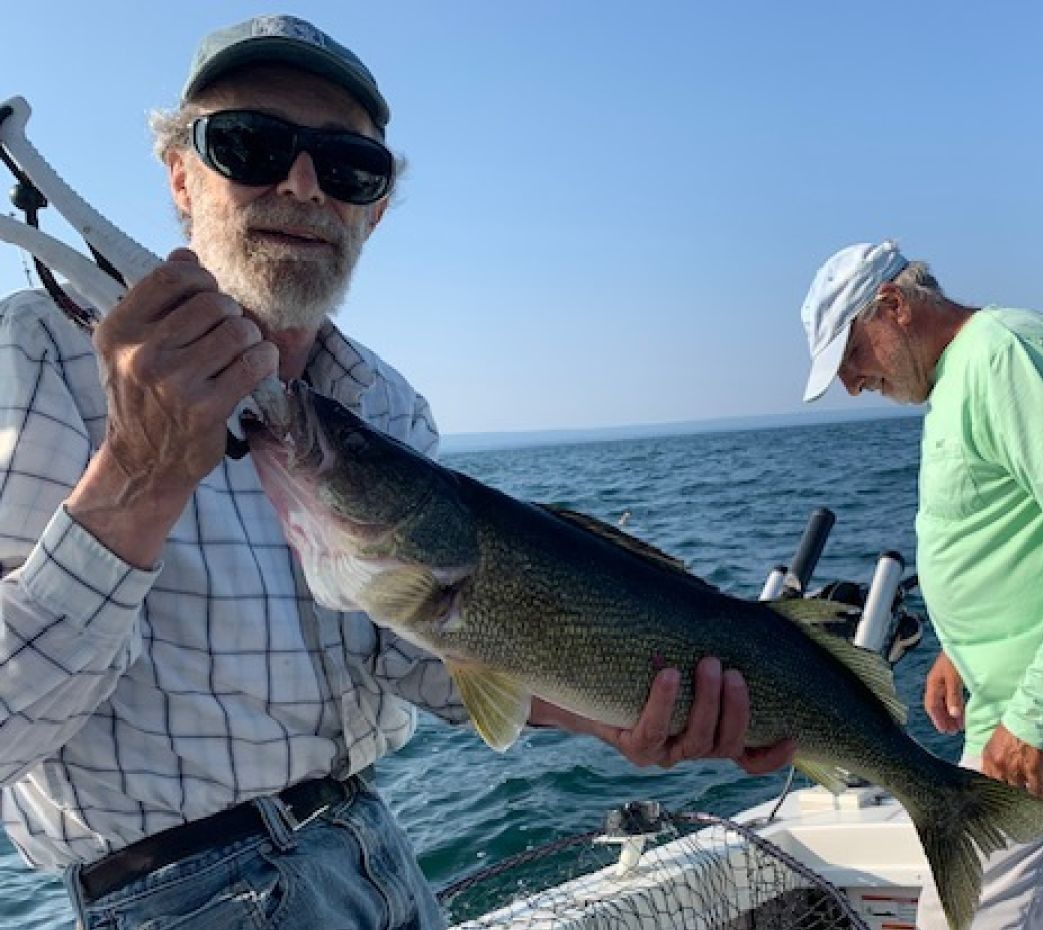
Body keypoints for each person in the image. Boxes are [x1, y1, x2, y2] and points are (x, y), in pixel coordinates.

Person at [0, 15, 791, 930]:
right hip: (181, 895)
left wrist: (613, 715)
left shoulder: (384, 407)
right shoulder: (39, 354)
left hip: (374, 850)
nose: (303, 185)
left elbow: (415, 657)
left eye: (348, 168)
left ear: (374, 208)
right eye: (249, 145)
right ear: (182, 176)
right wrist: (139, 474)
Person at [799, 240, 1043, 930]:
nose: (853, 383)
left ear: (894, 306)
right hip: (1015, 711)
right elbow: (1016, 536)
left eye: (852, 354)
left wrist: (1036, 721)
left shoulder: (1009, 355)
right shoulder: (959, 379)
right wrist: (958, 650)